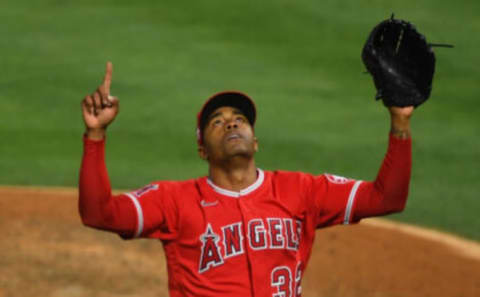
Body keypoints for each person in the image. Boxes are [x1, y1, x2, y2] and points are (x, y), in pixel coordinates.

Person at [79, 62, 412, 297]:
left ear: (255, 141)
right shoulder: (174, 200)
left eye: (240, 119)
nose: (231, 124)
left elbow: (387, 199)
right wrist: (95, 135)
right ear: (201, 149)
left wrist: (399, 123)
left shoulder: (302, 191)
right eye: (216, 122)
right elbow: (99, 214)